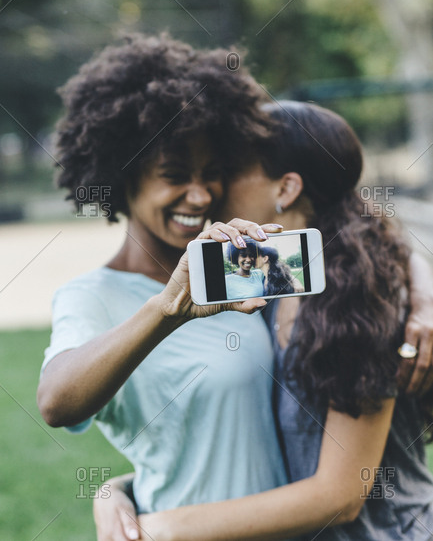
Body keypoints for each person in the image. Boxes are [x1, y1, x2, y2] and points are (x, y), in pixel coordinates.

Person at [97, 101, 433, 540]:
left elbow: (342, 496)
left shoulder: (359, 296)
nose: (212, 189)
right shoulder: (275, 276)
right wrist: (118, 491)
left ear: (286, 189)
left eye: (230, 168)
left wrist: (158, 529)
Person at [37, 33, 288, 517]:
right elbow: (56, 402)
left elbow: (340, 195)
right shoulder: (93, 296)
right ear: (121, 179)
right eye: (174, 176)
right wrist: (167, 309)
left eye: (210, 172)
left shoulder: (238, 267)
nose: (199, 196)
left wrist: (423, 296)